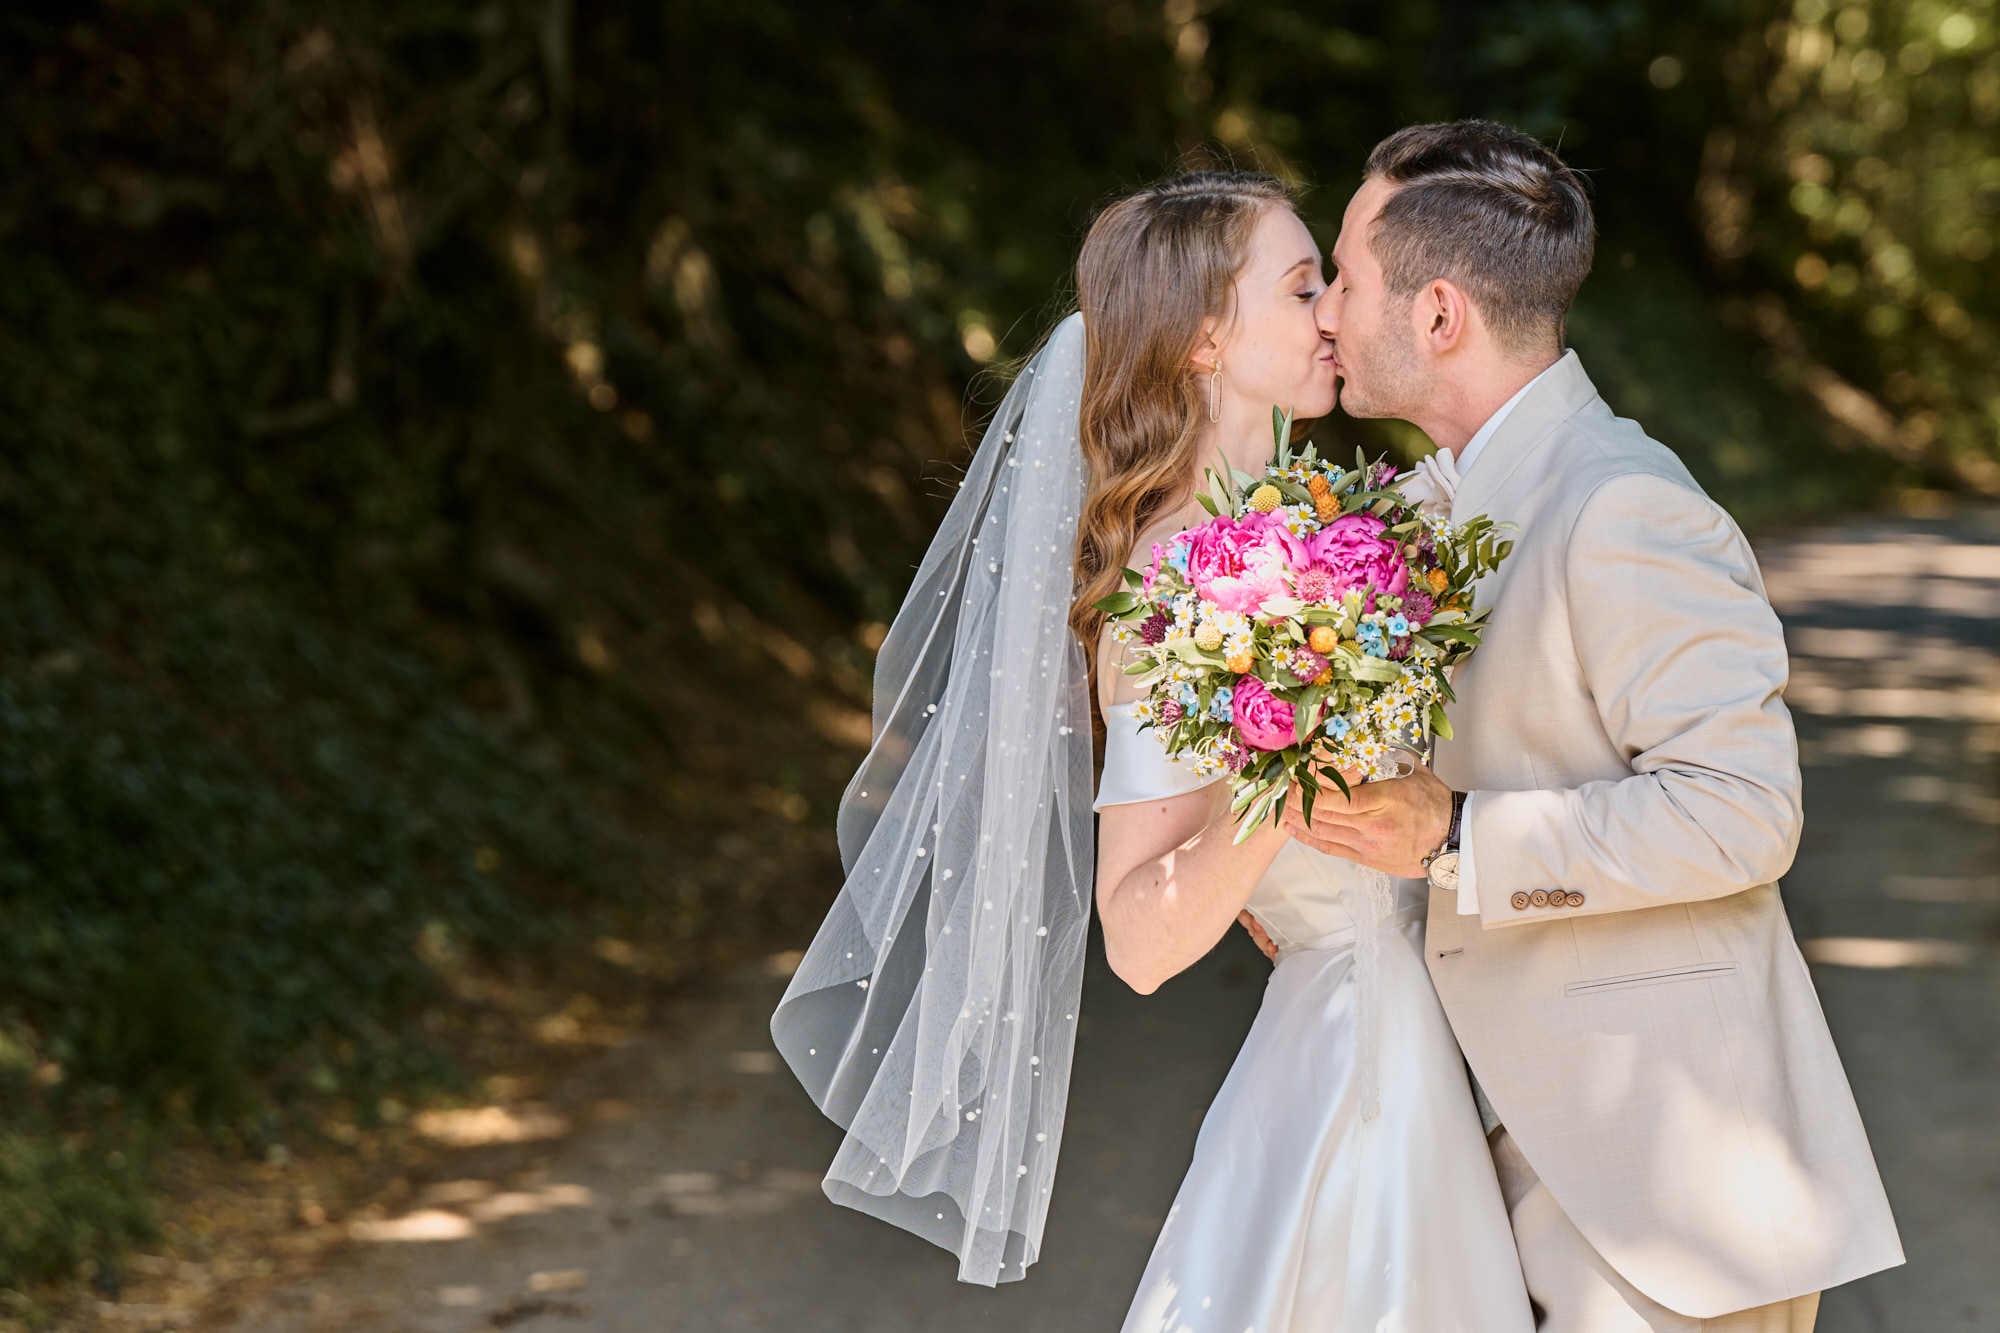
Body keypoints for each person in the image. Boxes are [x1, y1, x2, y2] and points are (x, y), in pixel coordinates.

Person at [773, 164, 1535, 1329]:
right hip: (1348, 1052)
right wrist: (1287, 772)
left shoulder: (1313, 523)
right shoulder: (1166, 584)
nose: (1330, 311)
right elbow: (1136, 937)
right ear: (1199, 340)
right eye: (1297, 288)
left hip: (1420, 1024)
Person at [1280, 119, 1905, 1332]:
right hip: (1469, 1157)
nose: (1324, 316)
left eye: (1344, 283)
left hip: (1658, 1202)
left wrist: (1455, 833)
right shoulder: (1412, 516)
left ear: (1437, 314)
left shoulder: (1621, 506)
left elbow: (1740, 811)